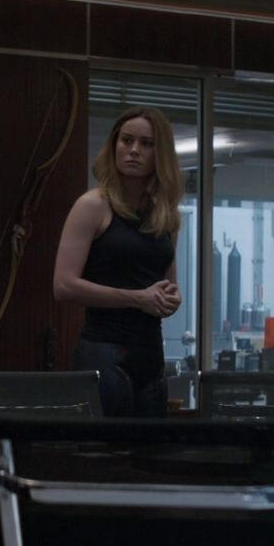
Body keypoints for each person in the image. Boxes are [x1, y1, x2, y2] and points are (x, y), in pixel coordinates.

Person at [53, 106, 184, 417]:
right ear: (114, 145)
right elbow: (63, 286)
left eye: (146, 144)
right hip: (104, 350)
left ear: (160, 154)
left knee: (150, 446)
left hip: (151, 353)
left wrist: (170, 299)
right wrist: (137, 298)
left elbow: (168, 286)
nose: (134, 150)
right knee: (108, 445)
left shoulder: (165, 215)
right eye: (126, 140)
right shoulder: (93, 206)